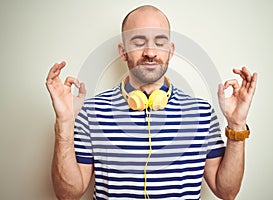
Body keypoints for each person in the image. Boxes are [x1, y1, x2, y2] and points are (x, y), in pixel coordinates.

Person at [46, 5, 257, 200]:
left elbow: (227, 192)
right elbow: (67, 195)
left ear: (171, 51)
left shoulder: (201, 113)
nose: (150, 52)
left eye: (159, 42)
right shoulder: (90, 112)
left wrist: (237, 125)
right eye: (138, 42)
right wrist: (64, 122)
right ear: (123, 51)